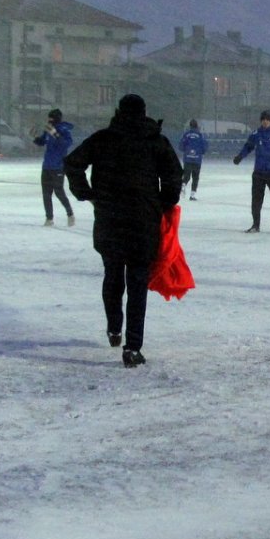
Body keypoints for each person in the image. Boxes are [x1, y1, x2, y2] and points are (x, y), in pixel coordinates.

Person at [64, 94, 183, 368]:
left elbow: (72, 163)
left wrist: (87, 194)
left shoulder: (104, 138)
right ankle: (132, 347)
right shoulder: (155, 140)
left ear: (118, 111)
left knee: (113, 276)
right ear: (144, 113)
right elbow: (174, 175)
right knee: (138, 284)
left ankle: (114, 327)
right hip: (144, 221)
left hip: (109, 218)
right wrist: (163, 203)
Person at [233, 110, 270, 233]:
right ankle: (255, 225)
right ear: (261, 121)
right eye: (263, 119)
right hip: (258, 172)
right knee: (256, 200)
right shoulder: (256, 133)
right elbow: (248, 147)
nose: (265, 122)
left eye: (267, 119)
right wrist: (240, 156)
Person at [33, 108, 75, 227]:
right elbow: (42, 142)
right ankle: (49, 218)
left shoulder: (64, 130)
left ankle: (70, 214)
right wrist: (35, 137)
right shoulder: (48, 130)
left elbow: (66, 144)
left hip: (58, 167)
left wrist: (55, 134)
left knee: (59, 192)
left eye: (52, 119)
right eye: (49, 119)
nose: (49, 121)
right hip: (46, 166)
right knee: (46, 194)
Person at [179, 119, 208, 201]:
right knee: (195, 177)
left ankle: (183, 184)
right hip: (197, 159)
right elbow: (204, 146)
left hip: (187, 159)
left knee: (186, 175)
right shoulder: (200, 135)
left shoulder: (186, 134)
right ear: (197, 126)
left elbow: (181, 146)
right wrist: (201, 152)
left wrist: (186, 150)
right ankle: (192, 195)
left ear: (190, 126)